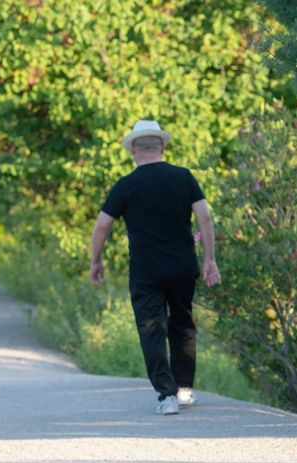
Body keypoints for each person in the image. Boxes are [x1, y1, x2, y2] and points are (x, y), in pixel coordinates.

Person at [89, 120, 221, 415]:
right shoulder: (184, 177)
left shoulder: (125, 185)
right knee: (183, 322)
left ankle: (166, 395)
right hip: (183, 266)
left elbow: (102, 226)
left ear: (133, 149)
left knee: (151, 329)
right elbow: (205, 218)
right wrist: (209, 258)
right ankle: (185, 389)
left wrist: (96, 261)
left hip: (146, 271)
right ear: (161, 146)